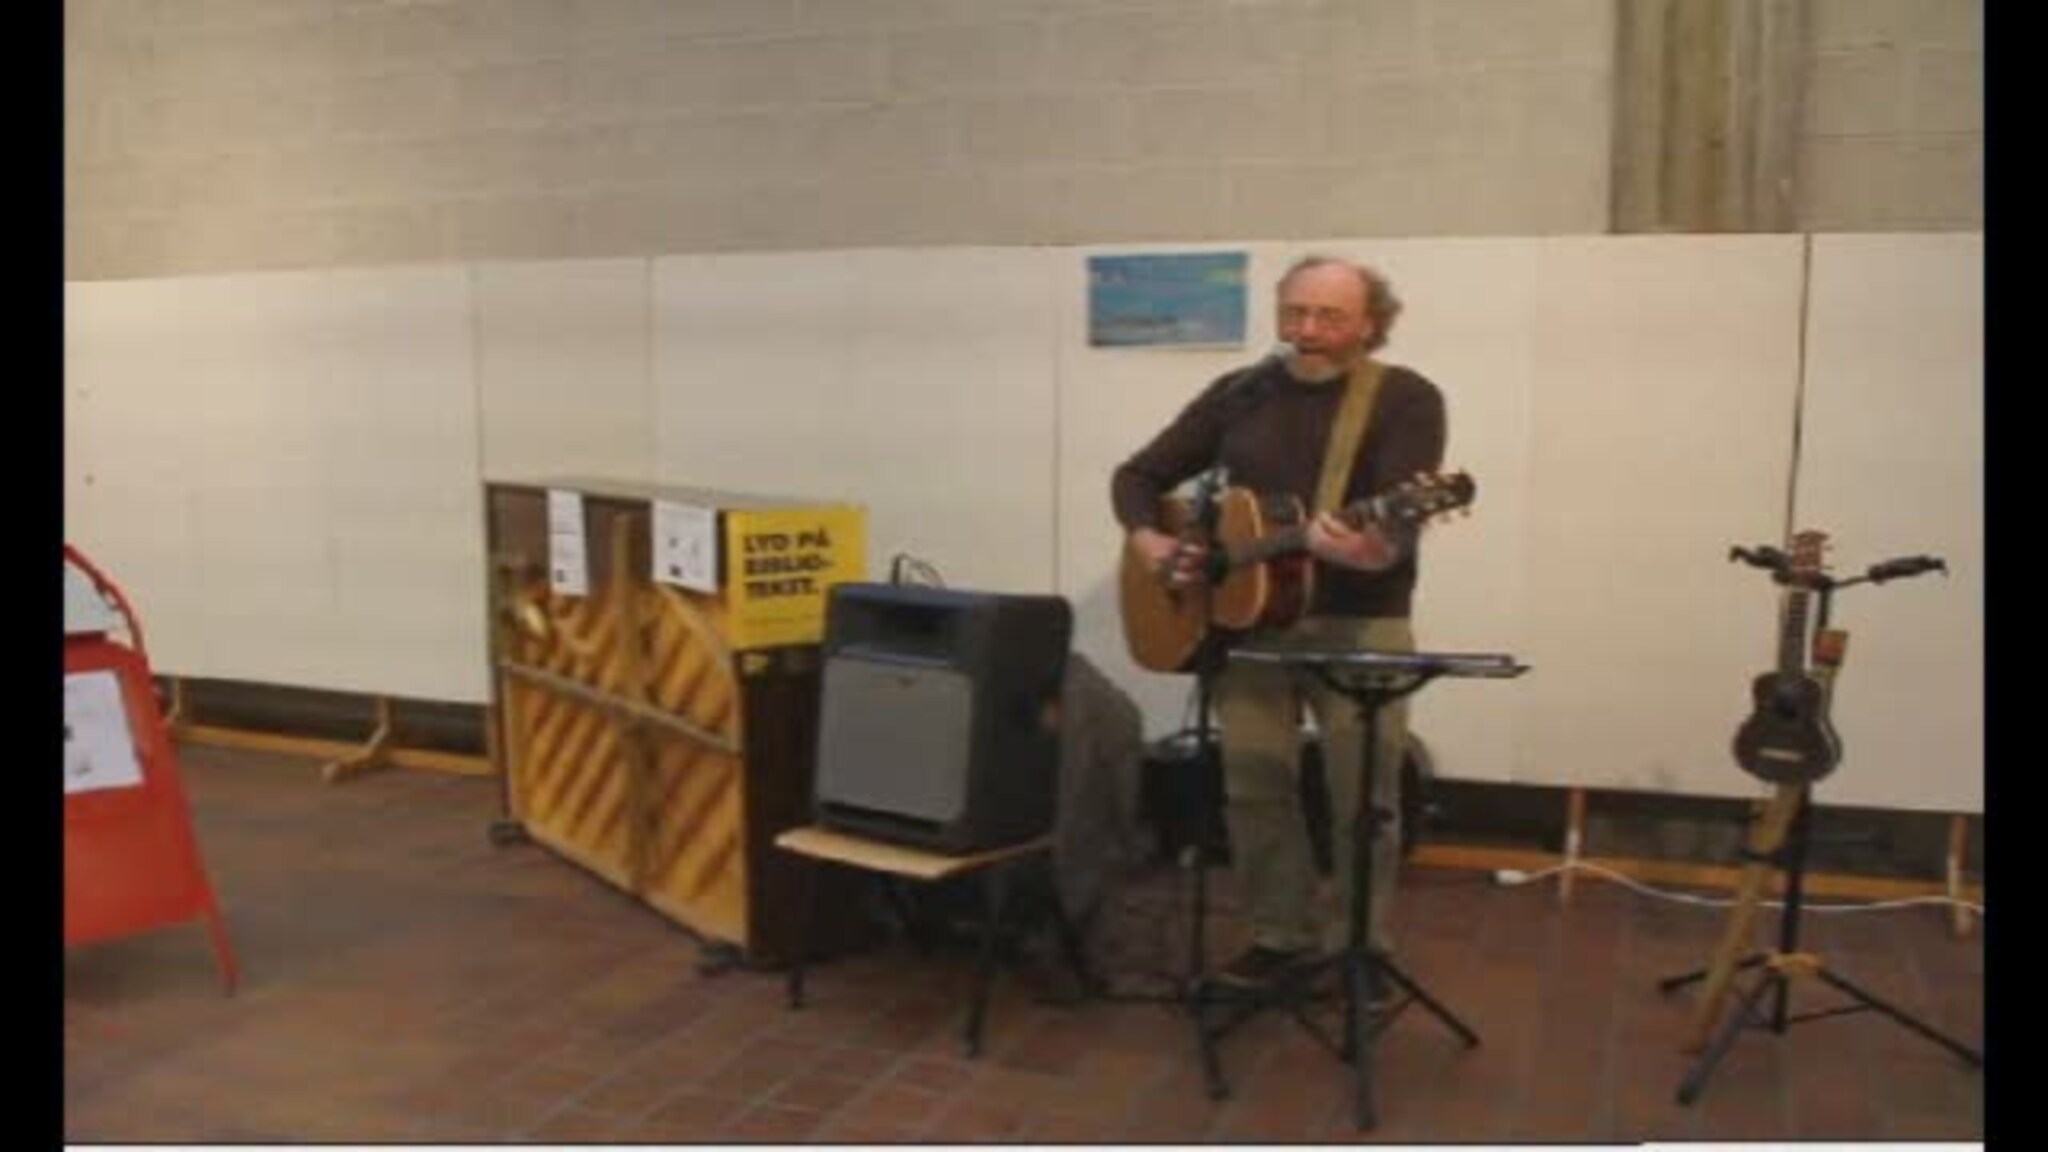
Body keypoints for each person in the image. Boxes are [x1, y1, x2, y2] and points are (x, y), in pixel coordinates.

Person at [1110, 254, 1447, 988]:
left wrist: (1366, 548)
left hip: (1361, 620)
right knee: (1254, 785)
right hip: (1248, 625)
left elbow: (1396, 526)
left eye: (1329, 316)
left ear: (1371, 324)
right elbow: (1136, 477)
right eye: (1295, 312)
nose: (1308, 329)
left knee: (1365, 795)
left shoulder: (1404, 398)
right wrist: (1153, 542)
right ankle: (1280, 935)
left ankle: (1361, 947)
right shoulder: (1240, 394)